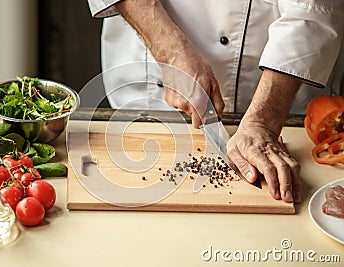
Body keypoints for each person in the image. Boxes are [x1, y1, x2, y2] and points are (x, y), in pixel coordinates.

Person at [87, 0, 344, 203]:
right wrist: (169, 50)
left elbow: (312, 8)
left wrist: (264, 120)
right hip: (151, 72)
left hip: (282, 93)